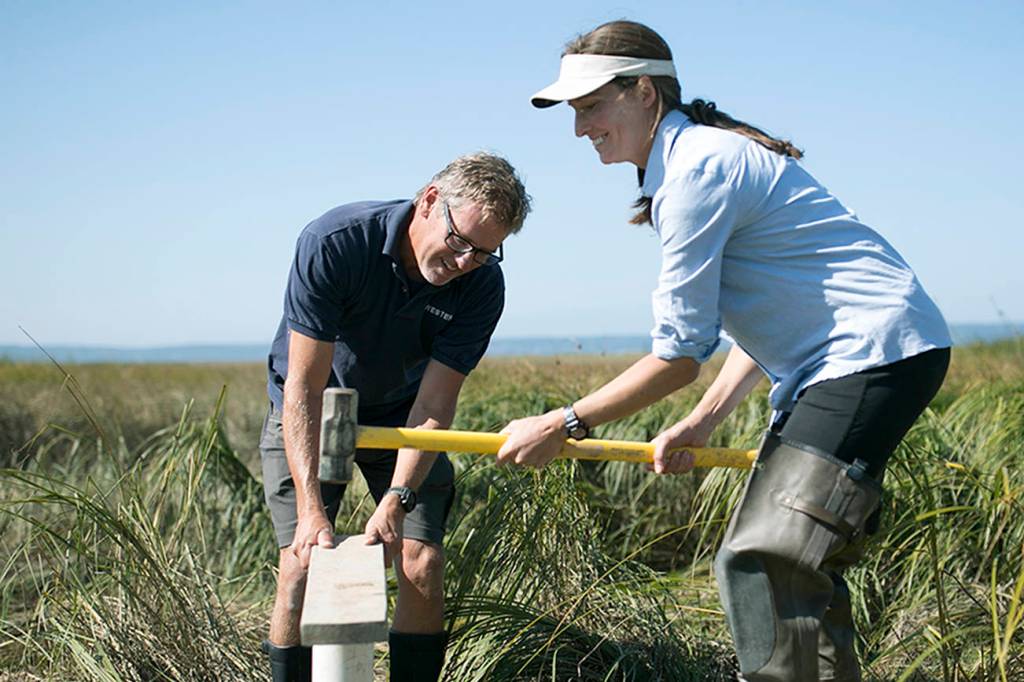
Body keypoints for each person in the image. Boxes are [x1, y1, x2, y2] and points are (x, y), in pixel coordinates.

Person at [497, 20, 951, 682]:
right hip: (857, 359)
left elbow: (679, 355)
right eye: (575, 111)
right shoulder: (692, 165)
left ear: (645, 93)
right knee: (790, 571)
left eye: (592, 105)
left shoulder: (697, 172)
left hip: (870, 355)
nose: (580, 128)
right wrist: (705, 418)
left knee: (761, 562)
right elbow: (766, 315)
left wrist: (563, 423)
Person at [259, 152, 531, 682]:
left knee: (421, 561)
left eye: (484, 253)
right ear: (430, 201)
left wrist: (397, 499)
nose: (464, 263)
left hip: (402, 415)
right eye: (459, 243)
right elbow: (304, 385)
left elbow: (433, 407)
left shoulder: (481, 285)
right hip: (313, 405)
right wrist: (313, 509)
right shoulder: (336, 242)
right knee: (300, 564)